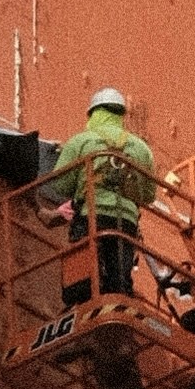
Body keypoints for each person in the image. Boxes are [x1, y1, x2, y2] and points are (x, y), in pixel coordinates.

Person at [52, 86, 156, 295]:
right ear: (121, 115)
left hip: (90, 216)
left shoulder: (82, 141)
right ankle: (117, 304)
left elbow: (60, 185)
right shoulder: (141, 148)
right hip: (126, 222)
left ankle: (81, 304)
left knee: (81, 281)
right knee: (119, 284)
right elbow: (148, 195)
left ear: (93, 114)